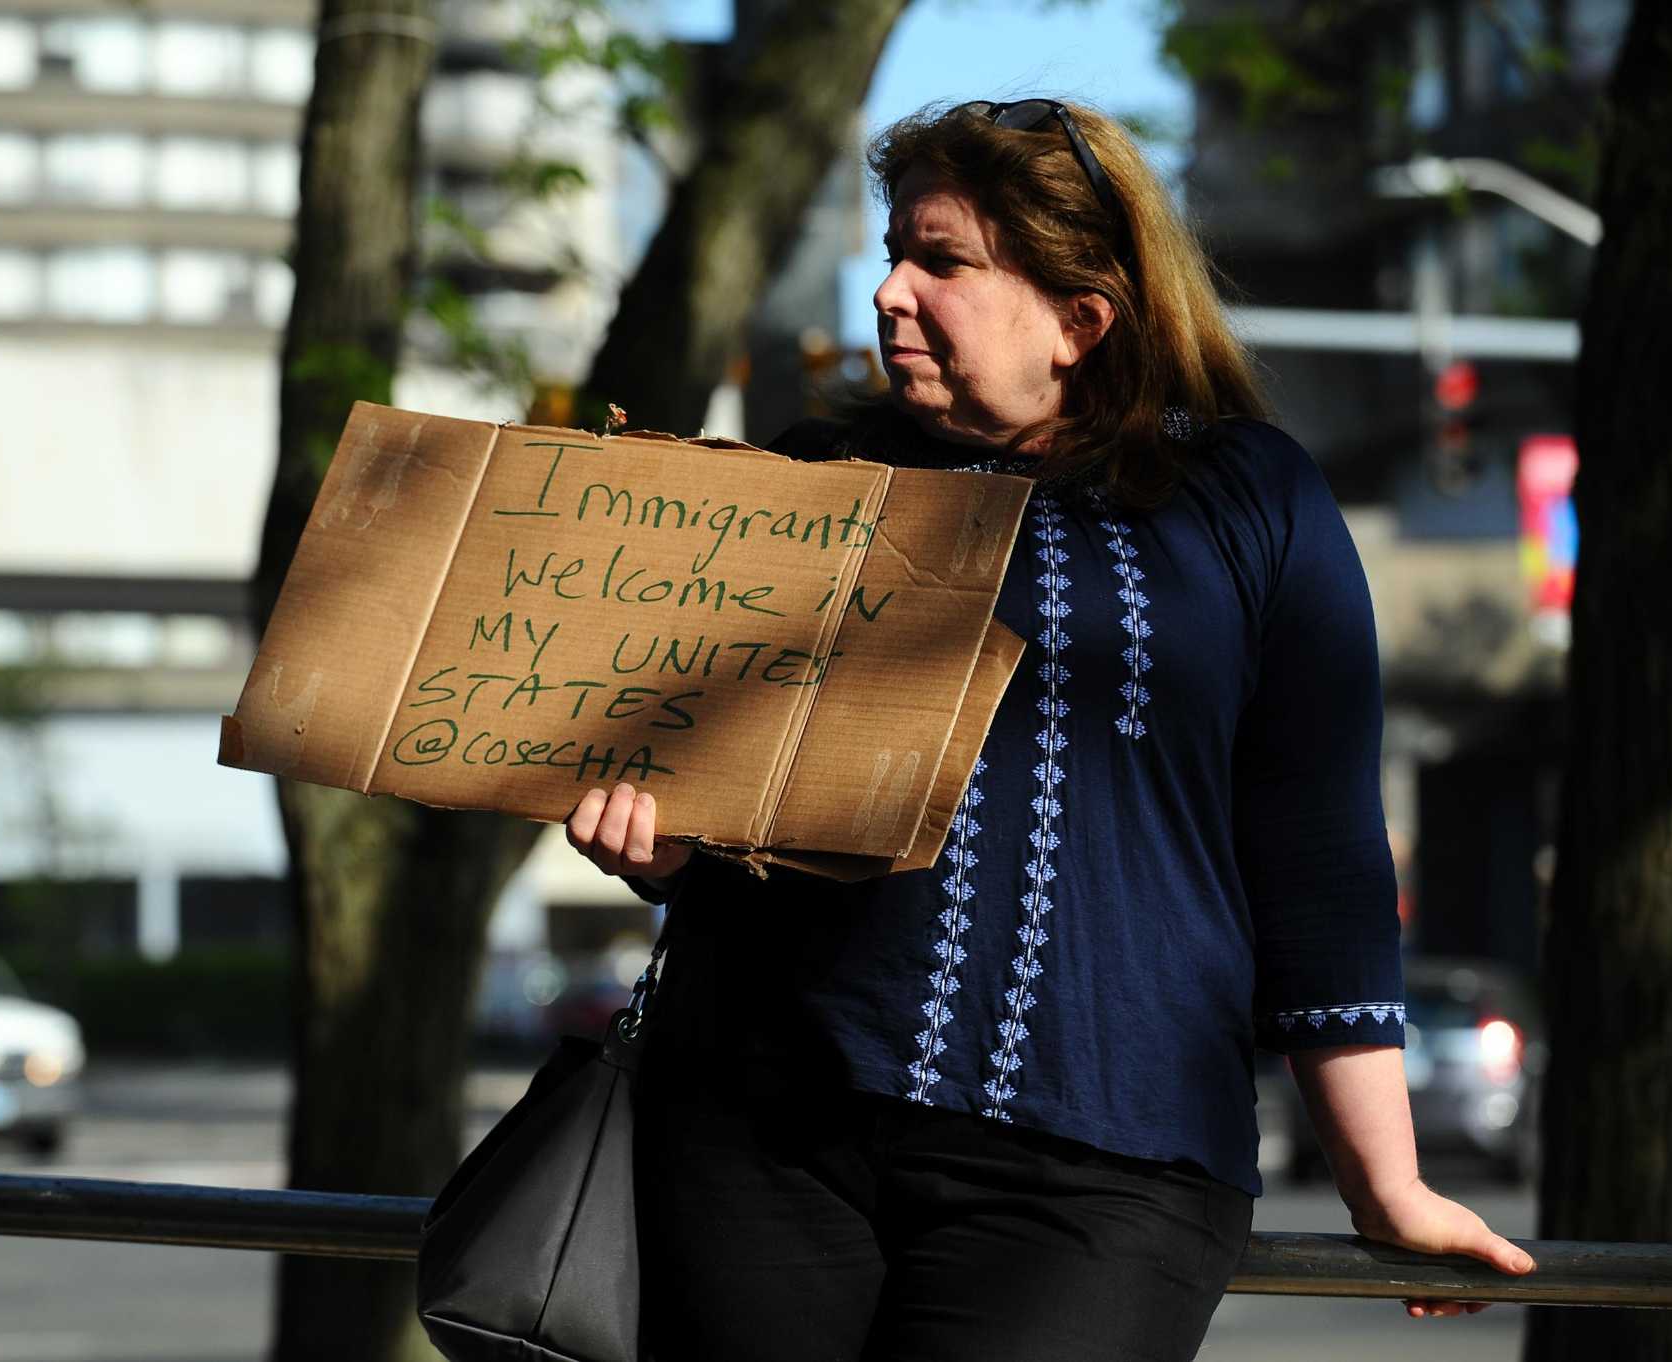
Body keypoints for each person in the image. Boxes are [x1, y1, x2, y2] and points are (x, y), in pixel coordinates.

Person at [565, 97, 1534, 1362]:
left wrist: (1381, 1181)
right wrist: (663, 851)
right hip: (761, 1133)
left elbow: (1320, 860)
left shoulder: (1245, 498)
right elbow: (733, 796)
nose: (889, 294)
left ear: (1083, 317)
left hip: (1105, 1161)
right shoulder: (805, 481)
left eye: (942, 261)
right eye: (891, 253)